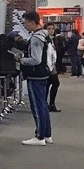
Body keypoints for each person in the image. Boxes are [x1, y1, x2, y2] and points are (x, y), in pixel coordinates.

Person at [19, 11, 55, 146]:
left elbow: (35, 59)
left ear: (32, 22)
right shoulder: (45, 35)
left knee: (37, 106)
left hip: (36, 74)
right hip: (44, 73)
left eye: (25, 23)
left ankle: (40, 136)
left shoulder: (36, 38)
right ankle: (46, 134)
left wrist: (21, 60)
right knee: (43, 105)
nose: (25, 26)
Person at [44, 24, 61, 113]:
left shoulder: (53, 39)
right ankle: (46, 104)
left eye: (52, 29)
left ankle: (51, 103)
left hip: (52, 65)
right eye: (49, 29)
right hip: (47, 66)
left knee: (55, 83)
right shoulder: (45, 40)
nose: (51, 30)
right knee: (48, 85)